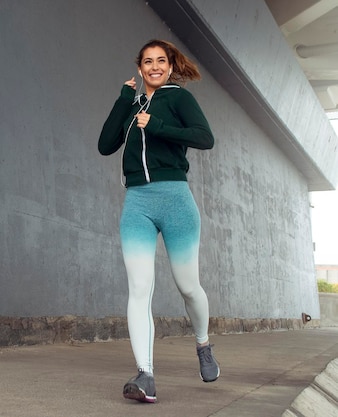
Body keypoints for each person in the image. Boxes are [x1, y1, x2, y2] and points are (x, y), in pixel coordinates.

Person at [98, 39, 219, 403]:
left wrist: (159, 125)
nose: (154, 66)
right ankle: (145, 374)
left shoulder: (178, 98)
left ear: (169, 66)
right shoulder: (132, 103)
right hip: (137, 202)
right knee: (139, 288)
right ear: (140, 66)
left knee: (188, 287)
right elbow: (106, 145)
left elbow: (205, 138)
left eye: (160, 61)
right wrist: (123, 101)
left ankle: (203, 344)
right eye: (147, 61)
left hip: (176, 201)